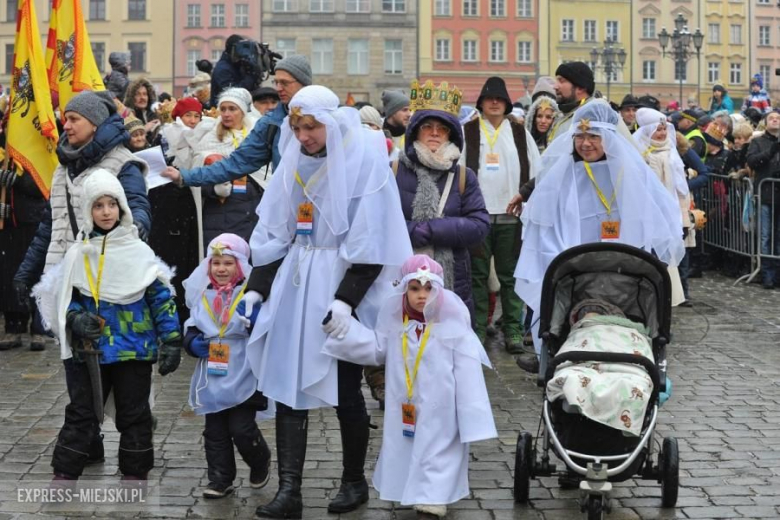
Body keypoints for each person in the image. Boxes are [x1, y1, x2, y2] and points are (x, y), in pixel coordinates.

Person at [243, 85, 412, 518]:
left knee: (344, 390)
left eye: (312, 126)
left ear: (332, 124)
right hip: (296, 287)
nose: (304, 136)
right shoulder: (293, 165)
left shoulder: (364, 166)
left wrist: (345, 302)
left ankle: (353, 480)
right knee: (286, 386)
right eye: (297, 127)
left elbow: (374, 240)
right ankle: (290, 490)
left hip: (341, 286)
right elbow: (274, 234)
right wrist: (257, 288)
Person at [13, 90, 151, 463]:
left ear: (94, 122)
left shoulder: (122, 163)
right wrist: (28, 272)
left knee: (107, 361)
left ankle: (114, 435)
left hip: (105, 281)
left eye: (73, 119)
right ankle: (89, 438)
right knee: (75, 358)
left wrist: (126, 238)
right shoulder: (63, 165)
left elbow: (137, 209)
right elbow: (51, 225)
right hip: (66, 278)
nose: (66, 124)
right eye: (66, 118)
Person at [510, 100, 685, 373]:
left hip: (622, 266)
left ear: (608, 138)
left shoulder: (630, 172)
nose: (585, 143)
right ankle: (553, 347)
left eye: (593, 136)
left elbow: (654, 214)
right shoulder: (563, 173)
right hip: (574, 263)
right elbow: (545, 224)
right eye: (579, 136)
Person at [321, 255, 497, 520]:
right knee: (409, 446)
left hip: (443, 407)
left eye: (428, 289)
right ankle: (412, 489)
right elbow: (375, 348)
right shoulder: (395, 324)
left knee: (440, 449)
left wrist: (471, 413)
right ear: (403, 290)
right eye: (414, 289)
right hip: (406, 403)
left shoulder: (452, 327)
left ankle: (434, 497)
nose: (422, 296)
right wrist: (342, 333)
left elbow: (468, 371)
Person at [33, 169, 181, 482]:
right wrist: (75, 317)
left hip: (134, 350)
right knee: (82, 413)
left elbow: (160, 298)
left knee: (135, 414)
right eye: (98, 206)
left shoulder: (139, 251)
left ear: (122, 207)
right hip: (91, 351)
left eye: (111, 204)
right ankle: (65, 471)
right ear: (89, 210)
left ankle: (135, 471)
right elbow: (67, 297)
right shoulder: (79, 253)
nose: (105, 212)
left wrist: (171, 339)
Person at [182, 233, 271, 499]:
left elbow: (267, 329)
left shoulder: (251, 296)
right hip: (213, 371)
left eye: (228, 263)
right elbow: (192, 324)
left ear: (241, 265)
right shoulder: (203, 295)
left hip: (244, 367)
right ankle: (220, 478)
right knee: (215, 430)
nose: (221, 269)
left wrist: (255, 323)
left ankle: (259, 458)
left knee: (241, 427)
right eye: (216, 263)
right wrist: (191, 342)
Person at [462, 76, 540, 351]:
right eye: (489, 98)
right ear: (481, 102)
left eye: (499, 99)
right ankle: (479, 328)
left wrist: (528, 198)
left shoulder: (519, 132)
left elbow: (536, 170)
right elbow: (459, 170)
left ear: (506, 103)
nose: (494, 103)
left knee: (510, 276)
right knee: (478, 276)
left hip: (511, 214)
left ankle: (513, 330)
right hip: (478, 216)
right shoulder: (468, 130)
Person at [161, 55, 312, 187]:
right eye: (276, 82)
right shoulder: (271, 124)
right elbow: (237, 163)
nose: (278, 88)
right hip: (289, 205)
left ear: (303, 83)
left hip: (327, 203)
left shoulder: (328, 119)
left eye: (284, 83)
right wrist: (184, 176)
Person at [181, 88, 263, 249]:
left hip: (251, 213)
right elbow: (196, 178)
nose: (226, 114)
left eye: (232, 109)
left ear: (243, 112)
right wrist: (215, 189)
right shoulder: (209, 138)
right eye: (223, 109)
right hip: (220, 213)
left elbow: (265, 176)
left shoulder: (254, 137)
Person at [633, 108, 692, 305]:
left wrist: (683, 215)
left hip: (669, 209)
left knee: (667, 253)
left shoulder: (671, 151)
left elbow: (680, 187)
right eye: (658, 129)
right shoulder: (639, 150)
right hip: (645, 211)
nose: (662, 133)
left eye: (664, 129)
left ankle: (668, 295)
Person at [0, 169, 49, 351]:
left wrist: (20, 180)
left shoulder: (37, 144)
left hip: (32, 217)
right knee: (7, 273)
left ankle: (38, 328)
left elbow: (44, 182)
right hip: (6, 221)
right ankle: (13, 326)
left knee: (35, 273)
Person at [746, 111, 780, 289]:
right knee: (765, 236)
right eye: (772, 117)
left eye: (778, 117)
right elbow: (751, 161)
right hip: (765, 194)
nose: (775, 119)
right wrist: (770, 152)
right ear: (765, 122)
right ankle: (767, 274)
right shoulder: (758, 141)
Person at [210, 34, 262, 106]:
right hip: (222, 110)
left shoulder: (236, 65)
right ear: (233, 50)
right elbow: (233, 94)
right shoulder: (223, 69)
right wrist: (250, 77)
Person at [382, 89, 411, 160]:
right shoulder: (377, 133)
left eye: (410, 110)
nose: (409, 114)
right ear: (392, 112)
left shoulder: (412, 134)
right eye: (404, 110)